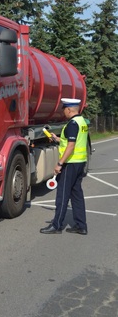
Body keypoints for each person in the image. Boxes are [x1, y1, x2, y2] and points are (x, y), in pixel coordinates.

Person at [40, 98, 89, 235]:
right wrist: (58, 139)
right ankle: (81, 225)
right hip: (80, 162)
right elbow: (73, 141)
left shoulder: (72, 124)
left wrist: (60, 163)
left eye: (64, 110)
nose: (64, 112)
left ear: (68, 109)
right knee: (76, 193)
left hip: (70, 163)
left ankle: (56, 226)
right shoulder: (82, 121)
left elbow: (71, 145)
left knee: (62, 194)